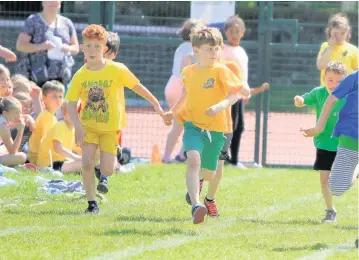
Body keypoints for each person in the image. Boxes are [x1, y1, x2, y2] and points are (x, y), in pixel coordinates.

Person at [66, 24, 169, 214]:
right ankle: (91, 204)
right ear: (82, 48)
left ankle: (115, 152)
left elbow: (137, 86)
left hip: (110, 128)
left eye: (98, 47)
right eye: (88, 46)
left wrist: (155, 103)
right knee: (87, 163)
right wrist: (78, 128)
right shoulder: (80, 75)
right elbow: (70, 104)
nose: (93, 51)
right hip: (88, 126)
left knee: (107, 170)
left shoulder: (117, 69)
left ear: (105, 49)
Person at [168, 27, 250, 224]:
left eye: (217, 49)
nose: (214, 53)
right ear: (196, 51)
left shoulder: (222, 70)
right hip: (193, 124)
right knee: (193, 160)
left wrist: (220, 105)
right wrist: (172, 112)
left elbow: (237, 93)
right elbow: (186, 94)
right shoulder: (188, 72)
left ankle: (205, 192)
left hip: (218, 128)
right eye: (209, 49)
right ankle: (197, 205)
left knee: (212, 173)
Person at [294, 61, 346, 223]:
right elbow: (304, 99)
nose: (334, 84)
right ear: (324, 78)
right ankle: (331, 211)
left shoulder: (350, 95)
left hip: (346, 144)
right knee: (325, 180)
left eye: (339, 81)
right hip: (324, 144)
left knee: (346, 181)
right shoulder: (319, 93)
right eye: (330, 80)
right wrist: (299, 100)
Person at [301, 70, 358, 196]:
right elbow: (331, 99)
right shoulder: (354, 78)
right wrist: (319, 127)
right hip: (351, 136)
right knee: (336, 188)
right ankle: (356, 167)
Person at [221, 15, 268, 168]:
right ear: (226, 32)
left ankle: (233, 160)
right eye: (231, 32)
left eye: (237, 32)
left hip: (239, 95)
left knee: (239, 126)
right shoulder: (223, 50)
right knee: (229, 127)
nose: (234, 35)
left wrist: (245, 93)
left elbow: (242, 74)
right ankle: (225, 158)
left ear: (243, 32)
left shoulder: (241, 51)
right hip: (228, 94)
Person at [162, 19, 205, 163]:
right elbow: (186, 66)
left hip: (172, 84)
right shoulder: (190, 48)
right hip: (181, 87)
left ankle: (170, 156)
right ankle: (179, 155)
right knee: (191, 123)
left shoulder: (182, 46)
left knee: (180, 124)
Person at [16, 1, 79, 87]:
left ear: (60, 4)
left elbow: (76, 48)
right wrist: (41, 47)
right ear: (43, 3)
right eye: (50, 3)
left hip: (61, 79)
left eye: (55, 3)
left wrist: (68, 48)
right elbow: (20, 45)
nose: (53, 6)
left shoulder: (67, 23)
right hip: (37, 77)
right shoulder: (32, 21)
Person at [37, 101, 82, 173]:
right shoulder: (61, 126)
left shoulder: (73, 129)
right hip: (49, 164)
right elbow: (58, 148)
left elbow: (78, 149)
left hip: (61, 162)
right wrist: (76, 158)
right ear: (64, 112)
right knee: (84, 164)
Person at [28, 80, 64, 164]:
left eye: (60, 96)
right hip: (39, 160)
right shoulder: (47, 116)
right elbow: (45, 143)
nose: (58, 99)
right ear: (44, 98)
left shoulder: (51, 116)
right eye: (54, 96)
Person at [316, 13, 358, 86]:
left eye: (342, 33)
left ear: (348, 32)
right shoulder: (325, 46)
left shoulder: (353, 49)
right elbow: (320, 66)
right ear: (329, 31)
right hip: (326, 91)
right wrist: (330, 47)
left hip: (345, 92)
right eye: (336, 33)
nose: (339, 36)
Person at [0, 96, 27, 166]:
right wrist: (20, 130)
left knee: (4, 148)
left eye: (20, 112)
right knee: (22, 156)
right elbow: (13, 151)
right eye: (15, 113)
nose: (19, 116)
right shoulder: (3, 127)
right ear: (5, 113)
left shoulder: (2, 121)